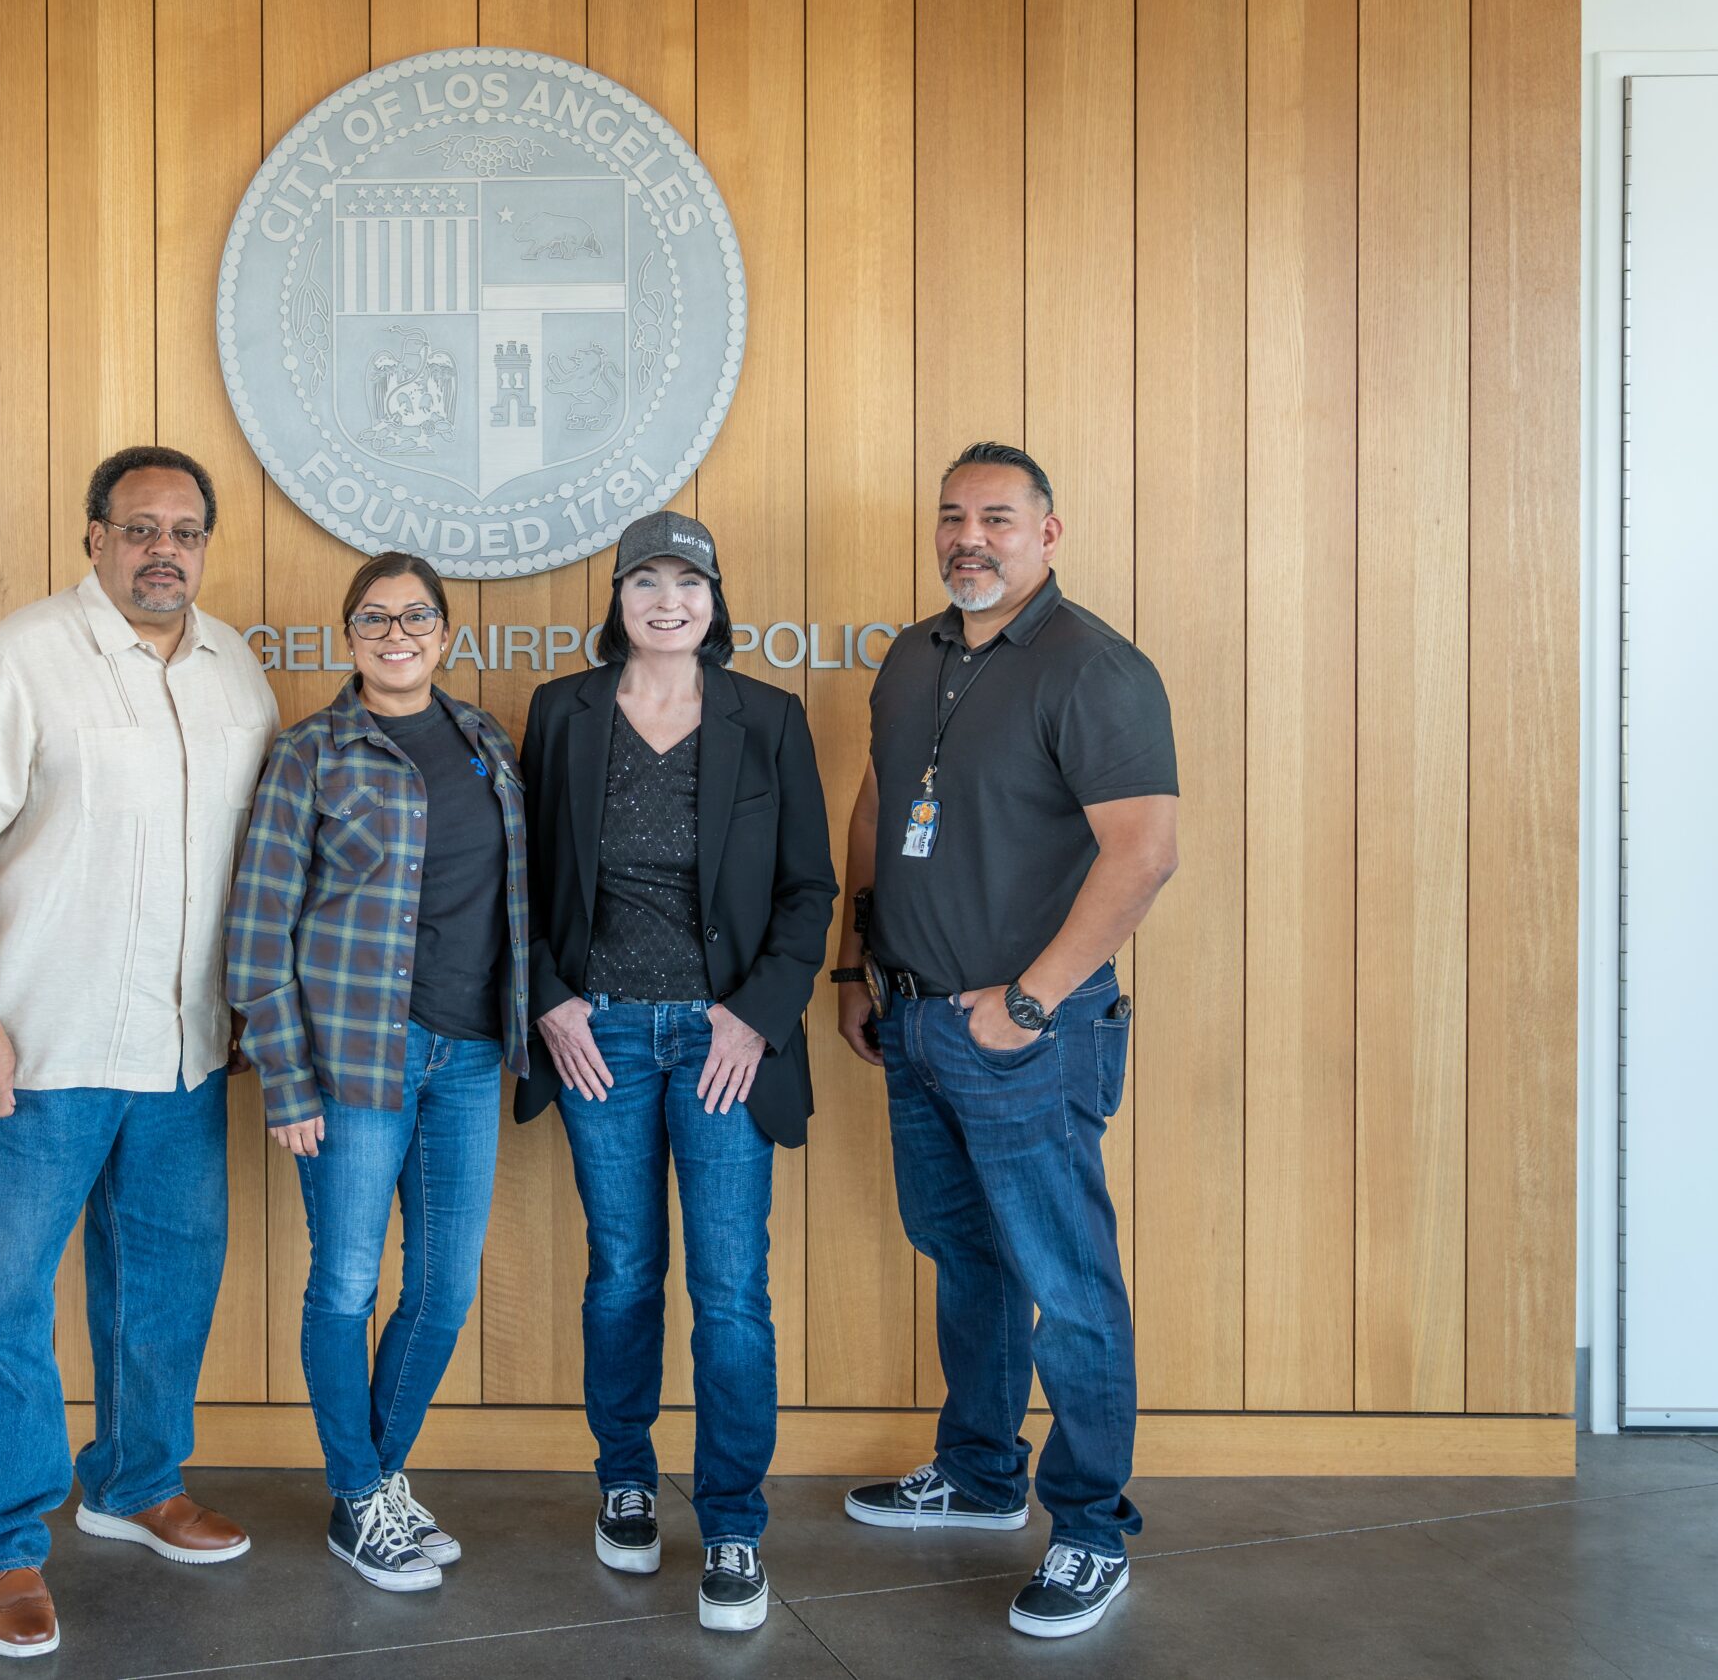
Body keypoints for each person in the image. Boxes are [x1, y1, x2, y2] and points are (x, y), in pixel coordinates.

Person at [0, 446, 280, 1661]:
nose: (164, 549)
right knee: (4, 1300)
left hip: (182, 1053)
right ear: (95, 539)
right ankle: (5, 1540)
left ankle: (134, 1482)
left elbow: (254, 862)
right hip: (36, 1051)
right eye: (140, 527)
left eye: (185, 530)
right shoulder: (22, 659)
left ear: (204, 545)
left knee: (168, 1283)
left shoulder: (236, 670)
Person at [834, 442, 1178, 1641]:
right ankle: (983, 1473)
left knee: (1067, 1282)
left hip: (1029, 1032)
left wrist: (1029, 1001)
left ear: (1048, 532)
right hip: (915, 1018)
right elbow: (878, 805)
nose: (968, 536)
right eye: (952, 516)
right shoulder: (913, 654)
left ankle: (1090, 1529)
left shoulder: (1095, 667)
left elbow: (1144, 851)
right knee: (966, 1255)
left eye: (995, 516)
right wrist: (855, 962)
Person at [516, 511, 838, 1634]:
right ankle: (626, 1477)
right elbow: (521, 875)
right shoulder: (562, 711)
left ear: (714, 599)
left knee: (732, 1286)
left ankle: (735, 1520)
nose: (667, 602)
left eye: (687, 582)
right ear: (617, 600)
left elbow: (808, 891)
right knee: (622, 1272)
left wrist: (756, 1018)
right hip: (597, 1035)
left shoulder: (770, 717)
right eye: (645, 582)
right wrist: (549, 995)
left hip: (721, 1045)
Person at [224, 552, 530, 1594]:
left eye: (415, 617)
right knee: (347, 1282)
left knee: (444, 1288)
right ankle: (361, 1495)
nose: (397, 635)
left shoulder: (487, 742)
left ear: (446, 632)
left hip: (469, 1055)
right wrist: (285, 1077)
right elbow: (257, 927)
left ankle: (375, 1481)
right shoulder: (311, 753)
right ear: (347, 634)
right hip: (355, 1058)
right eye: (374, 618)